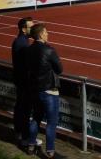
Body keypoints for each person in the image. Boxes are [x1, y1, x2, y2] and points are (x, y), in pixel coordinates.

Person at [27, 23, 63, 158]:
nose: (48, 34)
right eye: (46, 32)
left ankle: (30, 146)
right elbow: (60, 69)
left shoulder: (29, 50)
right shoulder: (49, 50)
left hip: (35, 90)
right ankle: (50, 152)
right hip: (49, 91)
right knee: (51, 123)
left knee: (36, 118)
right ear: (41, 34)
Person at [11, 17, 39, 147]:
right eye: (31, 27)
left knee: (21, 107)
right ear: (24, 29)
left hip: (21, 80)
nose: (33, 29)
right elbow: (26, 65)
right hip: (24, 82)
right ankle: (25, 137)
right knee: (25, 109)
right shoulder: (22, 43)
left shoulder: (22, 41)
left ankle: (19, 133)